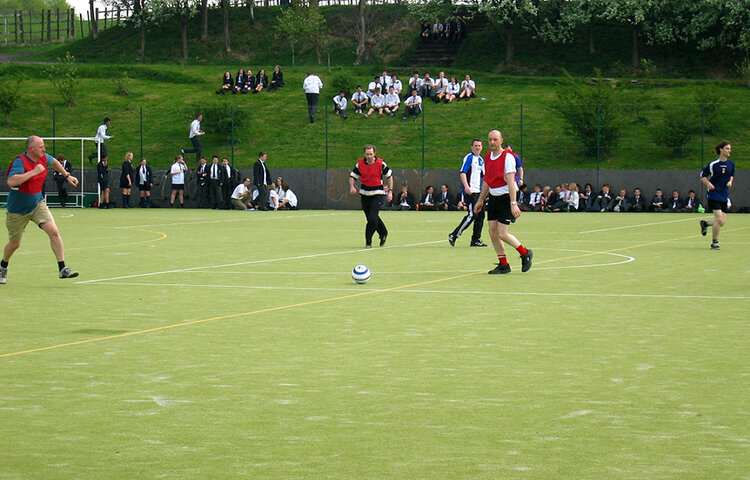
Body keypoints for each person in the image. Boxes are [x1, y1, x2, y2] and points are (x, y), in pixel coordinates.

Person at [1, 136, 80, 284]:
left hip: (37, 204)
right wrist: (33, 172)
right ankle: (3, 265)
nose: (44, 149)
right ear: (31, 149)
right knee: (15, 243)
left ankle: (62, 268)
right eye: (41, 147)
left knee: (54, 232)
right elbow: (11, 181)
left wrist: (67, 175)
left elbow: (55, 162)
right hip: (17, 209)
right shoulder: (20, 161)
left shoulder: (44, 158)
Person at [474, 130, 532, 274]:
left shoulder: (508, 158)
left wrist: (513, 203)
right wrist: (480, 200)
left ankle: (525, 253)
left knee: (502, 233)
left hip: (506, 197)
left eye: (495, 140)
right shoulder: (487, 156)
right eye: (490, 140)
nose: (492, 142)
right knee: (492, 232)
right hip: (494, 197)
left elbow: (511, 182)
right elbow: (487, 180)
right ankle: (503, 264)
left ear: (501, 141)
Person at [349, 144, 394, 248]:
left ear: (374, 154)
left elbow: (390, 177)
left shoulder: (380, 163)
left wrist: (390, 191)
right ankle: (383, 232)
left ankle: (368, 240)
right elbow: (352, 176)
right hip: (365, 193)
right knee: (370, 218)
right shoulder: (360, 164)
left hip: (377, 193)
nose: (369, 156)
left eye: (371, 154)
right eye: (367, 154)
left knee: (373, 218)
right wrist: (352, 186)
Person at [449, 138, 487, 247]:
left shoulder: (480, 160)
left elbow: (484, 176)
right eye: (475, 145)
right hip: (470, 191)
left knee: (480, 216)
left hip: (478, 192)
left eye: (479, 146)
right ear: (472, 147)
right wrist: (466, 187)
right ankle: (454, 234)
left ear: (482, 147)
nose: (477, 147)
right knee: (472, 214)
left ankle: (475, 240)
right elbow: (463, 172)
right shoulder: (469, 157)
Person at [700, 140, 735, 250]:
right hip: (713, 194)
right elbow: (702, 175)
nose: (729, 150)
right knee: (719, 219)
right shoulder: (713, 164)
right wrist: (709, 184)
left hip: (724, 195)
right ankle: (715, 243)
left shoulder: (731, 164)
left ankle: (705, 224)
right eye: (727, 148)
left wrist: (730, 181)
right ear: (721, 149)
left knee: (722, 222)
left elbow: (731, 175)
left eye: (730, 149)